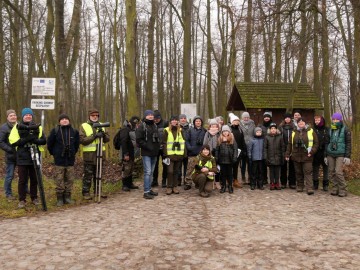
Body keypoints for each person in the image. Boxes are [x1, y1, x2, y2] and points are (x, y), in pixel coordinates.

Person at [9, 108, 46, 208]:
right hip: (22, 157)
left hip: (35, 156)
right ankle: (22, 200)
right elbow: (13, 141)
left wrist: (34, 140)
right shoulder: (17, 127)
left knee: (35, 179)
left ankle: (34, 198)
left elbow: (43, 140)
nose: (28, 116)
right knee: (22, 180)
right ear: (23, 116)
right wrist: (26, 140)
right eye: (26, 115)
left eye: (30, 115)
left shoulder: (38, 127)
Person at [47, 113, 80, 206]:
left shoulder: (74, 131)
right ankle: (60, 199)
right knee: (59, 179)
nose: (64, 120)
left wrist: (73, 152)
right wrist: (55, 153)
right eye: (62, 119)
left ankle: (68, 197)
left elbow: (77, 144)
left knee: (70, 179)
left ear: (69, 120)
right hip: (59, 160)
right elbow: (49, 144)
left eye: (66, 118)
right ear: (59, 121)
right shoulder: (55, 131)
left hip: (70, 160)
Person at [79, 109, 110, 200]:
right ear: (89, 116)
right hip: (89, 156)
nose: (95, 116)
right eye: (93, 115)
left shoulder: (102, 125)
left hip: (100, 155)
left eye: (96, 115)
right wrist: (94, 136)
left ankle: (98, 191)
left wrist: (103, 135)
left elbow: (107, 139)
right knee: (88, 175)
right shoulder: (84, 126)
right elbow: (82, 140)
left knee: (99, 174)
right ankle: (86, 192)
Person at [285, 118, 318, 195]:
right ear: (297, 124)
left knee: (308, 171)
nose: (301, 123)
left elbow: (316, 143)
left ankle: (309, 187)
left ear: (305, 123)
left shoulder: (311, 131)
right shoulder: (294, 132)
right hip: (296, 155)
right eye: (299, 122)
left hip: (307, 155)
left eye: (302, 122)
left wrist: (312, 151)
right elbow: (290, 144)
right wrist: (287, 154)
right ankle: (300, 186)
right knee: (298, 172)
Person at [325, 112, 351, 197]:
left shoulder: (345, 129)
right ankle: (335, 188)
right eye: (334, 119)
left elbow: (348, 143)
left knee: (338, 172)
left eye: (337, 119)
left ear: (340, 120)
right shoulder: (329, 129)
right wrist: (325, 155)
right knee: (331, 172)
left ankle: (343, 189)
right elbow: (326, 142)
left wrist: (347, 156)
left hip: (340, 153)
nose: (335, 121)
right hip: (330, 153)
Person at [136, 110, 160, 199]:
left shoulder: (154, 125)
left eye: (151, 115)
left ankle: (149, 189)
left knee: (151, 172)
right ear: (145, 116)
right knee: (148, 172)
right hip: (146, 152)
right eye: (148, 115)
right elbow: (138, 139)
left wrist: (157, 147)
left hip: (154, 152)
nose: (150, 116)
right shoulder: (142, 126)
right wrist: (147, 146)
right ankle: (146, 192)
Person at [162, 115, 187, 195]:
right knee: (170, 171)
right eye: (173, 120)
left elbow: (183, 142)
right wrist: (165, 154)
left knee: (176, 171)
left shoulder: (180, 130)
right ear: (170, 121)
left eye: (176, 120)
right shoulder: (166, 130)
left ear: (177, 121)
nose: (174, 121)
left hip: (179, 155)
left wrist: (184, 154)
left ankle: (175, 187)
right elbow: (164, 143)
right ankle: (169, 187)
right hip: (169, 155)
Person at [116, 116, 140, 192]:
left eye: (137, 123)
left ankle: (130, 183)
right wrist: (125, 154)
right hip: (126, 152)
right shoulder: (125, 129)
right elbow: (123, 142)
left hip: (132, 152)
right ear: (130, 122)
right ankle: (125, 185)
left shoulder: (132, 129)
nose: (135, 124)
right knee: (126, 168)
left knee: (131, 168)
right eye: (134, 122)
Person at [184, 115, 207, 190]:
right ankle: (188, 182)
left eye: (199, 121)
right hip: (192, 152)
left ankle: (199, 182)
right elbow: (186, 140)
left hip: (201, 153)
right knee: (190, 169)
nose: (198, 122)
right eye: (196, 121)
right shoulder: (190, 130)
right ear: (194, 122)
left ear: (201, 122)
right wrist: (189, 147)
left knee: (201, 169)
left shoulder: (204, 131)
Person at [0, 109, 18, 201]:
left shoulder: (20, 126)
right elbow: (1, 142)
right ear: (7, 117)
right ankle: (8, 193)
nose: (13, 117)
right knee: (9, 175)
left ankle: (25, 189)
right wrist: (10, 150)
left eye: (14, 115)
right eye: (11, 115)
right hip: (10, 156)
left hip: (21, 155)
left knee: (24, 174)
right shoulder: (4, 128)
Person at [215, 125, 238, 193]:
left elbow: (235, 149)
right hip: (222, 160)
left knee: (230, 174)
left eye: (226, 131)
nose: (225, 133)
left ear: (229, 132)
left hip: (230, 160)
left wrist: (234, 157)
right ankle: (223, 186)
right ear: (222, 132)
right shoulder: (220, 139)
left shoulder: (232, 139)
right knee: (223, 174)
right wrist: (217, 157)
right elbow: (217, 150)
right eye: (224, 131)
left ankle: (230, 186)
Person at [264, 123, 285, 190]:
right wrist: (266, 157)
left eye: (274, 128)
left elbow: (282, 147)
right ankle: (272, 183)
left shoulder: (280, 137)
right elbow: (265, 148)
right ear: (270, 130)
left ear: (276, 129)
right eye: (272, 128)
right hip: (270, 157)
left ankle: (277, 183)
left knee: (277, 172)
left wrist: (282, 156)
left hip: (278, 157)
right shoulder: (267, 137)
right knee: (271, 172)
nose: (273, 130)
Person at [229, 113, 247, 189]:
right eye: (235, 120)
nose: (236, 122)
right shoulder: (229, 129)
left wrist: (244, 149)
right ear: (232, 121)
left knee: (236, 167)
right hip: (230, 151)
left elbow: (242, 140)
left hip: (239, 151)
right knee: (230, 166)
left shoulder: (240, 129)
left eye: (237, 120)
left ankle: (235, 180)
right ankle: (229, 180)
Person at [312, 115, 330, 191]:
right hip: (316, 152)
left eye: (318, 120)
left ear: (322, 120)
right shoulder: (312, 130)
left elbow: (329, 140)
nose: (317, 121)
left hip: (325, 151)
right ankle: (315, 184)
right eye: (315, 120)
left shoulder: (327, 129)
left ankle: (325, 185)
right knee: (315, 168)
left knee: (326, 168)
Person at [279, 113, 296, 189]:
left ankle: (292, 182)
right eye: (286, 118)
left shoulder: (294, 127)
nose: (287, 119)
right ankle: (283, 182)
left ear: (290, 119)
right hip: (283, 148)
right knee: (283, 166)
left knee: (292, 166)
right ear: (284, 119)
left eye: (288, 118)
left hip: (292, 148)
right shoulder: (281, 127)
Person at [203, 118, 221, 189]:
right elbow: (204, 143)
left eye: (215, 125)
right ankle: (211, 182)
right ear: (210, 126)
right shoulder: (207, 133)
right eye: (212, 126)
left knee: (217, 168)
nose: (214, 127)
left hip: (217, 153)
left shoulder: (219, 133)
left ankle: (217, 182)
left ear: (217, 126)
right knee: (210, 168)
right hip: (209, 153)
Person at [152, 110, 168, 188]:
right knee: (155, 165)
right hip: (155, 148)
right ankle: (154, 180)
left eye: (157, 118)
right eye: (154, 118)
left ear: (160, 117)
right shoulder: (151, 124)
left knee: (165, 164)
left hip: (164, 148)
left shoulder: (165, 123)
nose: (156, 120)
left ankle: (164, 180)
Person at [239, 111, 255, 185]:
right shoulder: (239, 124)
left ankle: (249, 177)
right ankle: (243, 177)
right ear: (242, 118)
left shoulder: (252, 124)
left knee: (250, 163)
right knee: (243, 164)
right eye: (245, 117)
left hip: (251, 146)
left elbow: (255, 133)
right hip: (243, 146)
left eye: (247, 117)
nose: (246, 118)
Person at [178, 114, 190, 186]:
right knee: (178, 166)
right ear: (179, 120)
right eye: (181, 118)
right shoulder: (177, 127)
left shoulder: (190, 127)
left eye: (184, 118)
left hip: (187, 150)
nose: (183, 119)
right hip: (178, 150)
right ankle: (178, 180)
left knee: (186, 166)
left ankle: (186, 180)